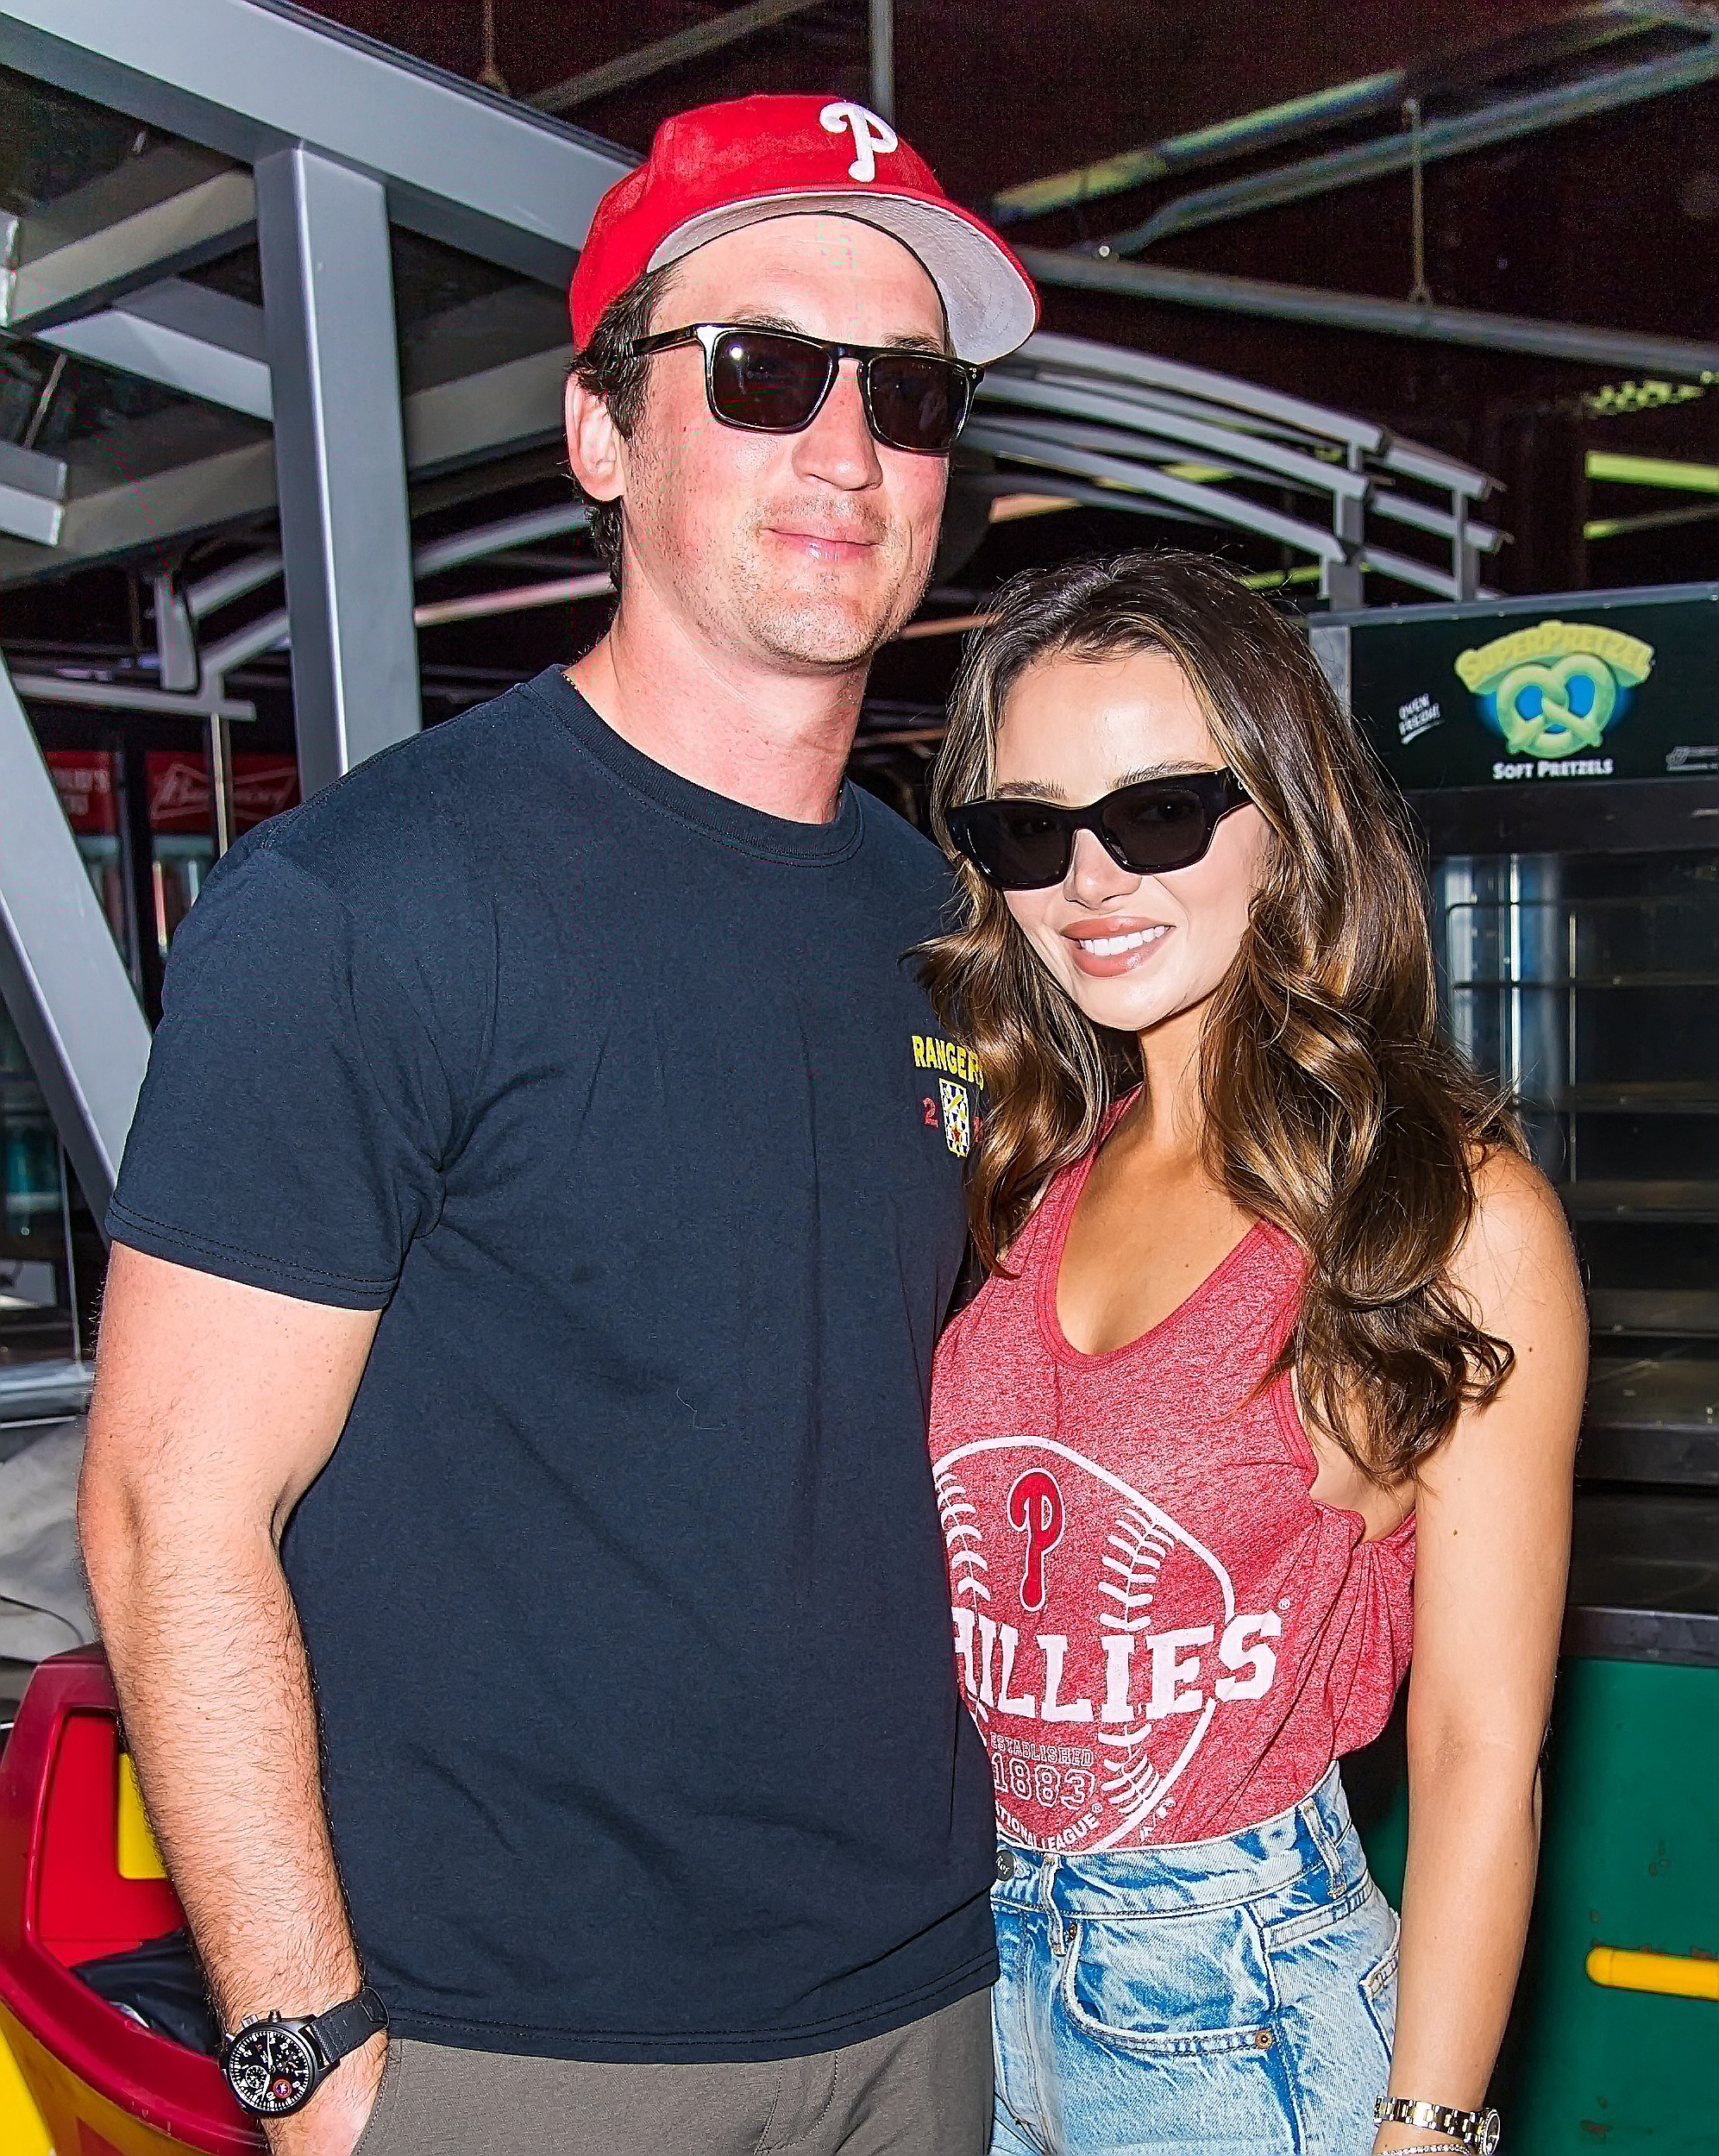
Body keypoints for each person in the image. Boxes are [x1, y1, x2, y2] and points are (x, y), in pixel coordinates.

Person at [77, 95, 1038, 2156]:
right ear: (605, 433)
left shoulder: (944, 924)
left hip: (923, 1999)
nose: (849, 450)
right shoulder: (363, 908)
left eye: (912, 392)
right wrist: (309, 2065)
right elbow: (171, 1513)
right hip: (512, 2056)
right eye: (765, 372)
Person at [918, 552, 1586, 2156]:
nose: (1091, 881)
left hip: (1241, 2013)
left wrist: (1427, 2127)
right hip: (955, 1972)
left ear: (1284, 815)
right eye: (1029, 829)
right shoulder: (1016, 1168)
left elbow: (1483, 1748)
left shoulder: (1443, 1213)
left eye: (1157, 814)